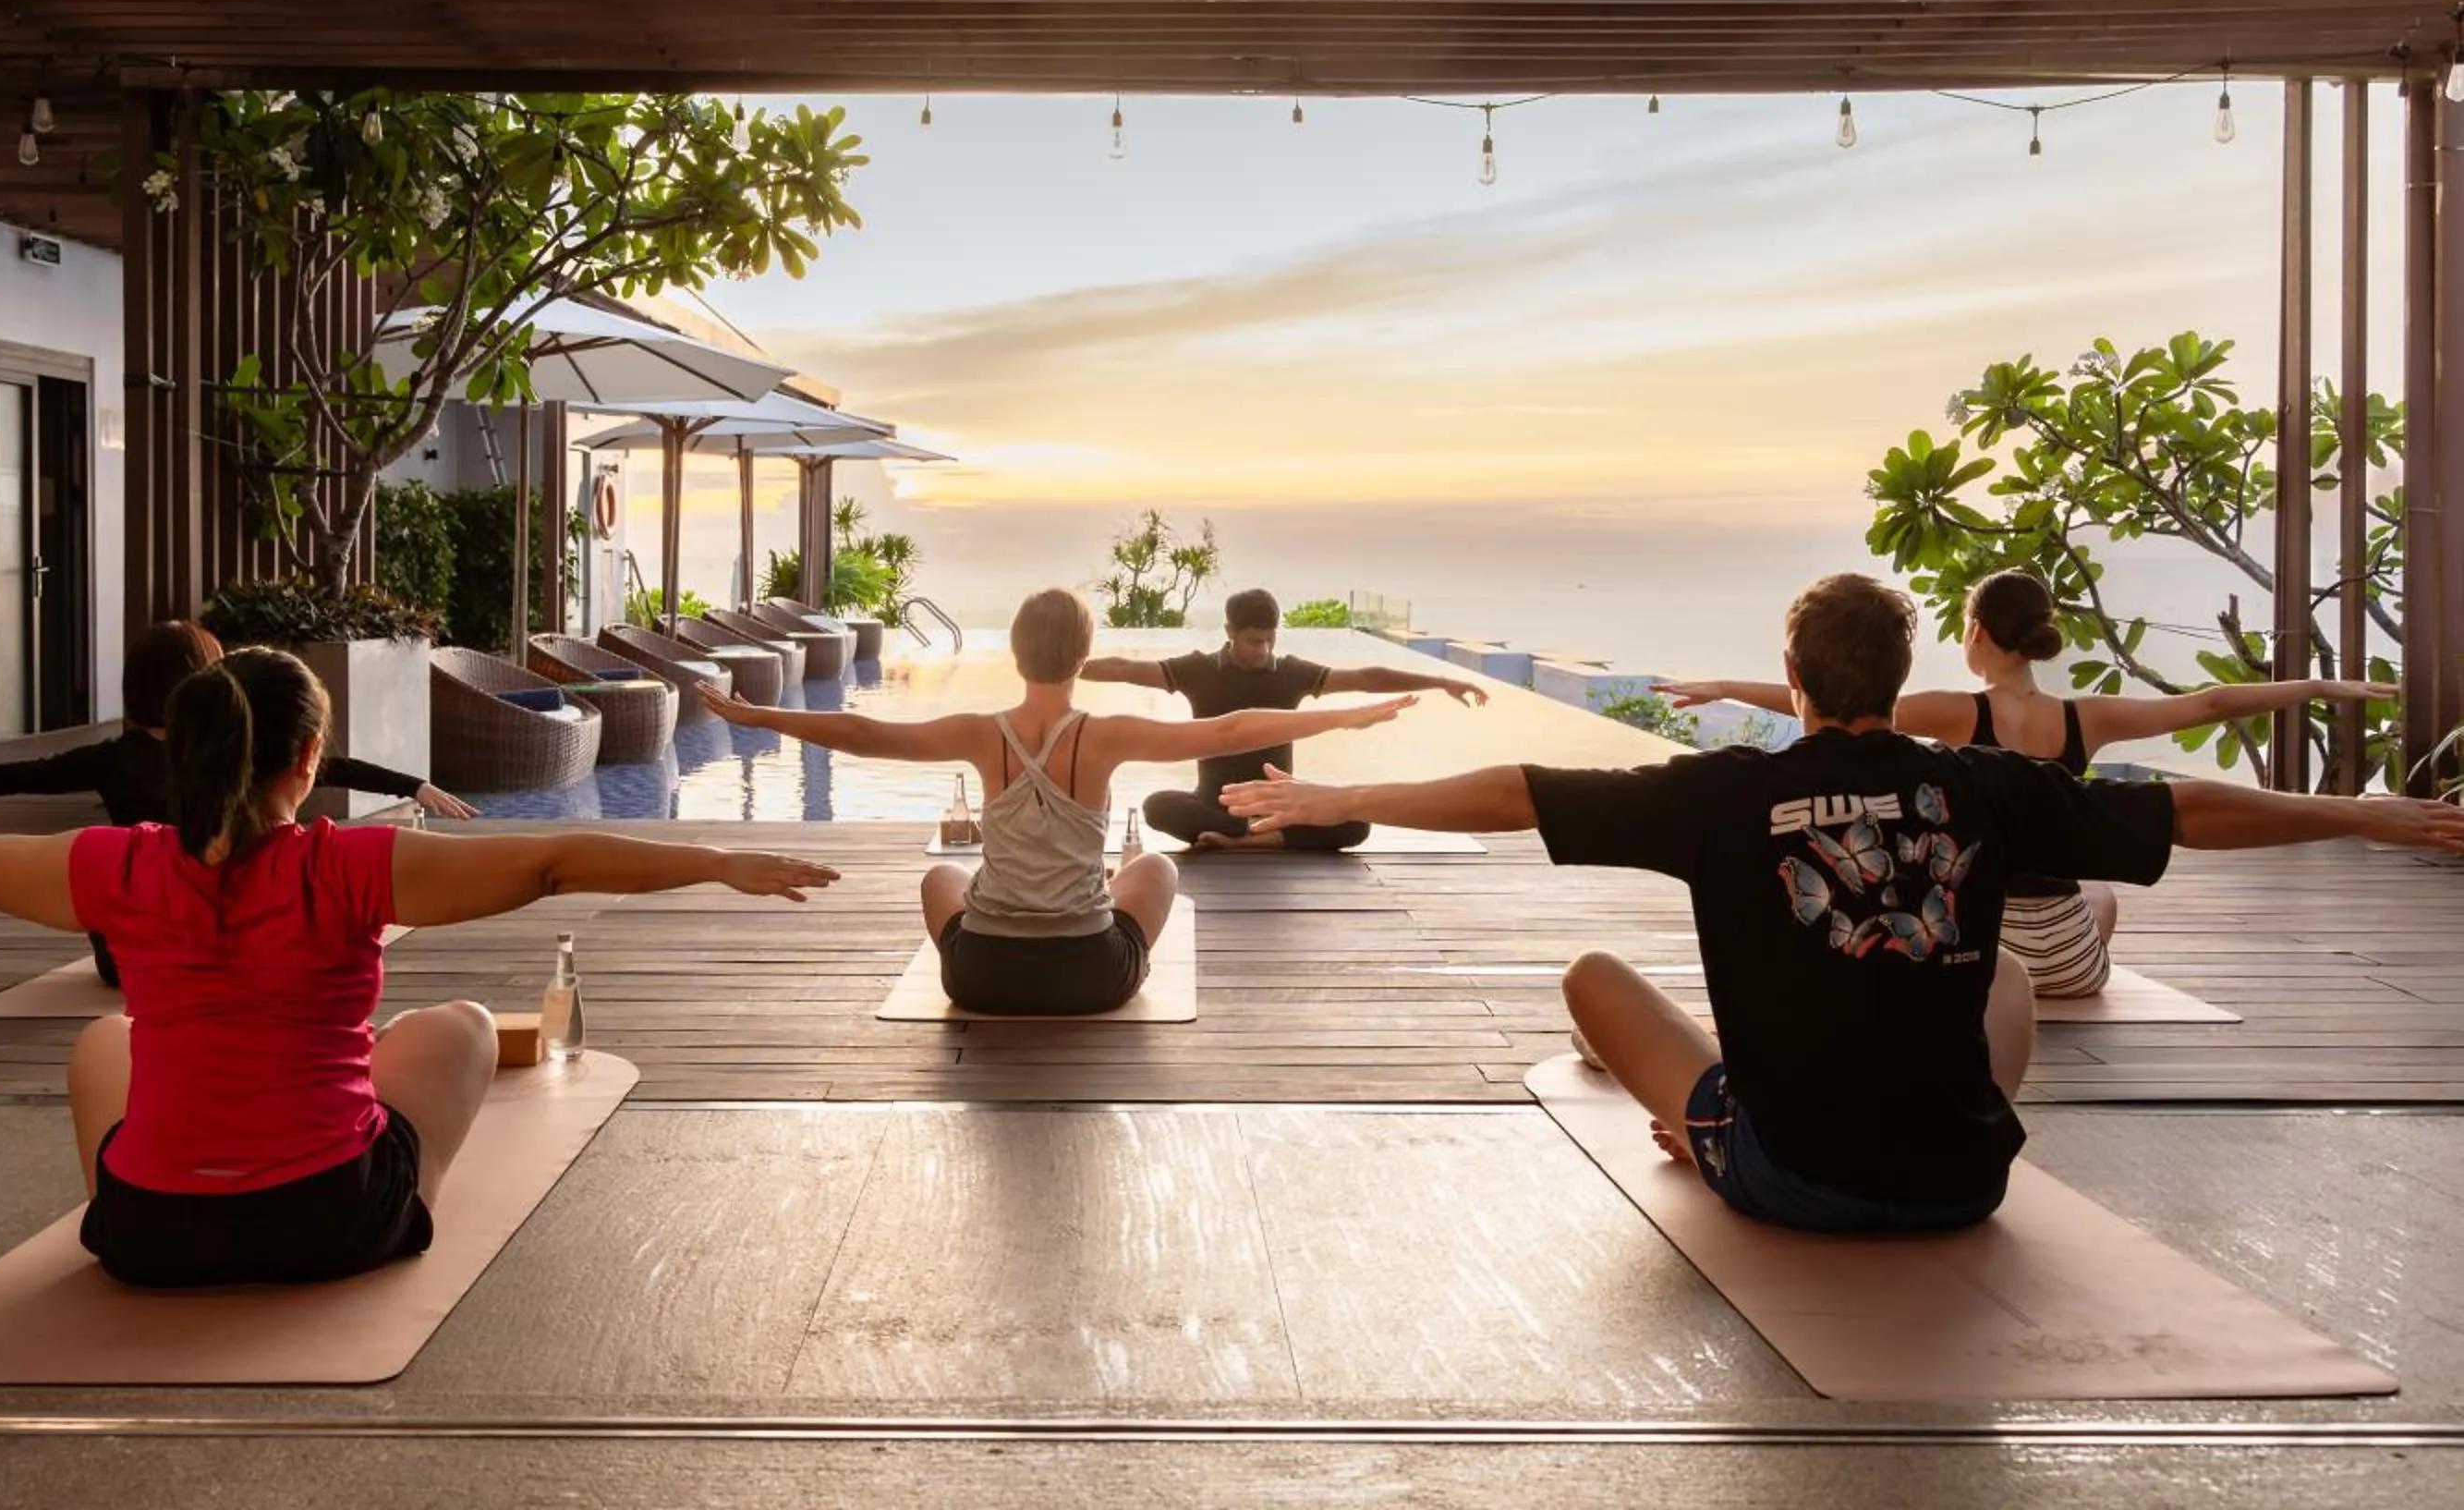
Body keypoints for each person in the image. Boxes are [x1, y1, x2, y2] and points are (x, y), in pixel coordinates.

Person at [1223, 573, 2464, 1234]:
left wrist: (1349, 802)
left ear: (1797, 680)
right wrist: (2360, 811)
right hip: (1961, 1184)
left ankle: (1717, 1140)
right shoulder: (1983, 786)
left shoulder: (1726, 794)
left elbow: (1519, 793)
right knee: (2015, 975)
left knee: (1592, 980)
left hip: (1794, 1180)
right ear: (1901, 674)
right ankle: (1754, 1125)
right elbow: (2187, 805)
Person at [0, 645, 834, 1289]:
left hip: (144, 1238)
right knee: (464, 1027)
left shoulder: (118, 868)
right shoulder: (353, 867)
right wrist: (721, 859)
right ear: (308, 758)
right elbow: (549, 861)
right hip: (330, 1222)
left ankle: (164, 1194)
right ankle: (399, 1216)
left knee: (107, 1038)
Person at [1655, 568, 2394, 996]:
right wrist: (2318, 689)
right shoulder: (2086, 717)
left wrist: (1723, 685)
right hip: (2070, 965)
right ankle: (2071, 946)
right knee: (2098, 893)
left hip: (1985, 949)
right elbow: (2209, 704)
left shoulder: (1953, 713)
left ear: (1977, 633)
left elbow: (1831, 699)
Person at [694, 587, 1415, 1016]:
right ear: (1081, 659)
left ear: (1016, 655)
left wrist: (762, 718)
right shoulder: (1102, 738)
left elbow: (863, 731)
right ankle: (1078, 900)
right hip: (1090, 976)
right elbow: (1229, 728)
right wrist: (1342, 716)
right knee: (1159, 872)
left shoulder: (982, 733)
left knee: (941, 877)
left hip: (980, 976)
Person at [0, 621, 481, 988]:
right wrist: (412, 786)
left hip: (131, 950)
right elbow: (324, 762)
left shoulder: (110, 757)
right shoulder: (231, 749)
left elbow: (2, 777)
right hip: (217, 932)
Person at [1079, 587, 1487, 853]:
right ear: (1230, 632)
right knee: (1156, 806)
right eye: (1253, 641)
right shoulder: (1197, 670)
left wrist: (1440, 681)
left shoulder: (1290, 672)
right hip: (1215, 804)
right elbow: (1123, 669)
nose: (1263, 649)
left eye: (1270, 639)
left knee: (1357, 824)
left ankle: (1243, 842)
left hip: (1282, 803)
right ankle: (1253, 838)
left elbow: (1365, 678)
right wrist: (1056, 665)